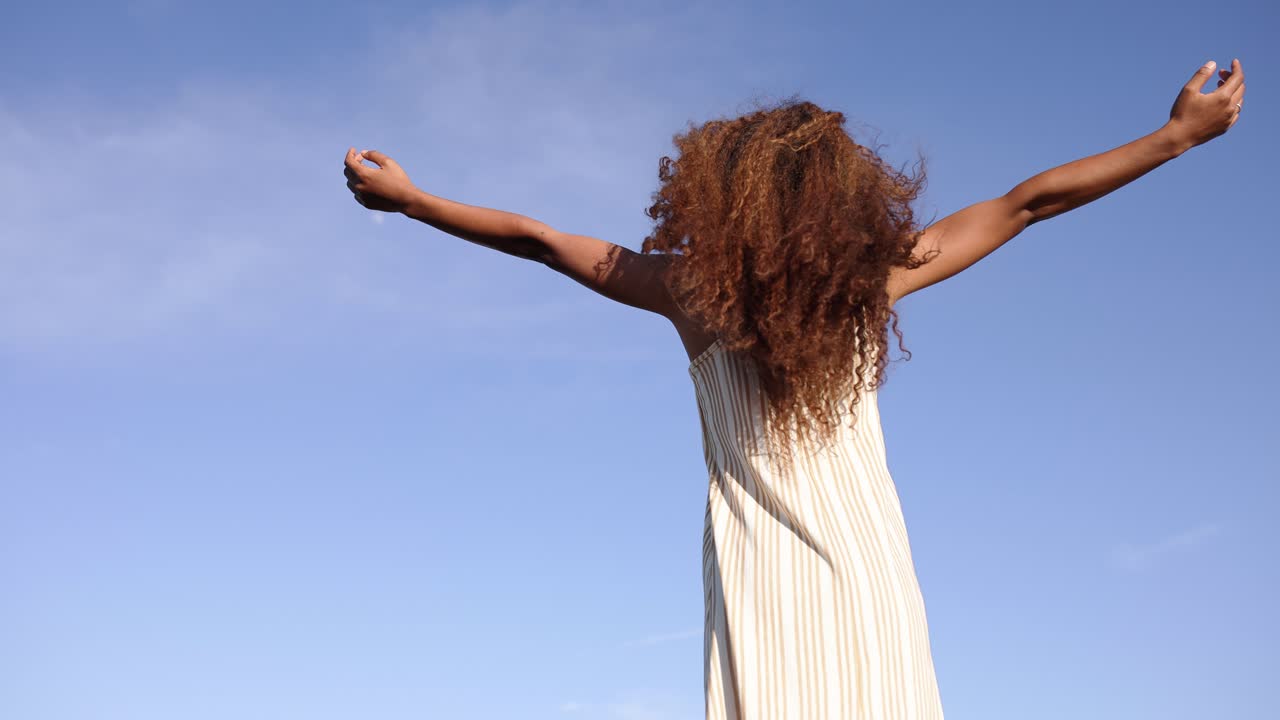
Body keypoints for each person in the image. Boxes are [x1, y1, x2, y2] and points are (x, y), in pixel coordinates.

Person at [341, 58, 1245, 720]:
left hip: (760, 587)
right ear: (842, 199)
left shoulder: (685, 291)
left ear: (719, 200)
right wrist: (1173, 138)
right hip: (871, 584)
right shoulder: (872, 284)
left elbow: (538, 239)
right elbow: (1026, 203)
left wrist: (415, 201)